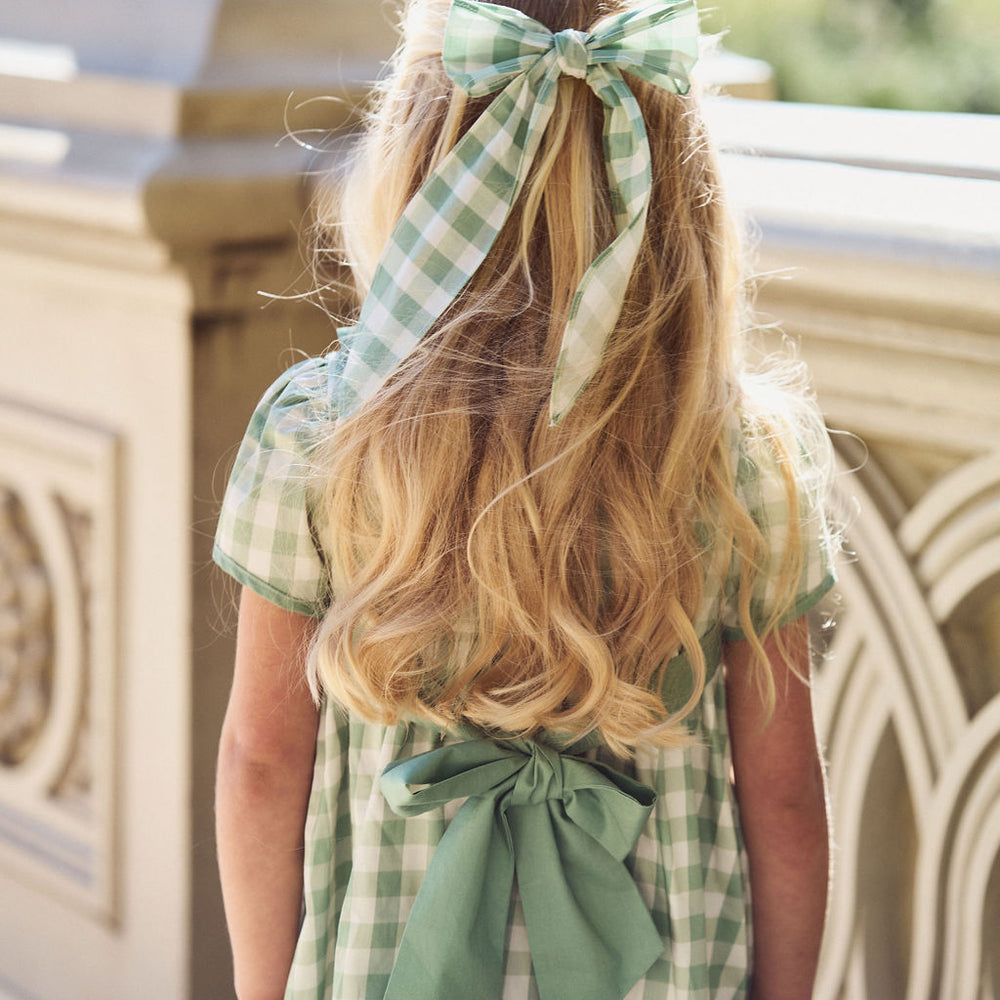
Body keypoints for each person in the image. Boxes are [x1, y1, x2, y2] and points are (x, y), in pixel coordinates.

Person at [213, 0, 838, 998]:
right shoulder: (742, 458)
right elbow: (787, 799)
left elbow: (258, 761)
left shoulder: (318, 435)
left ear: (412, 175)